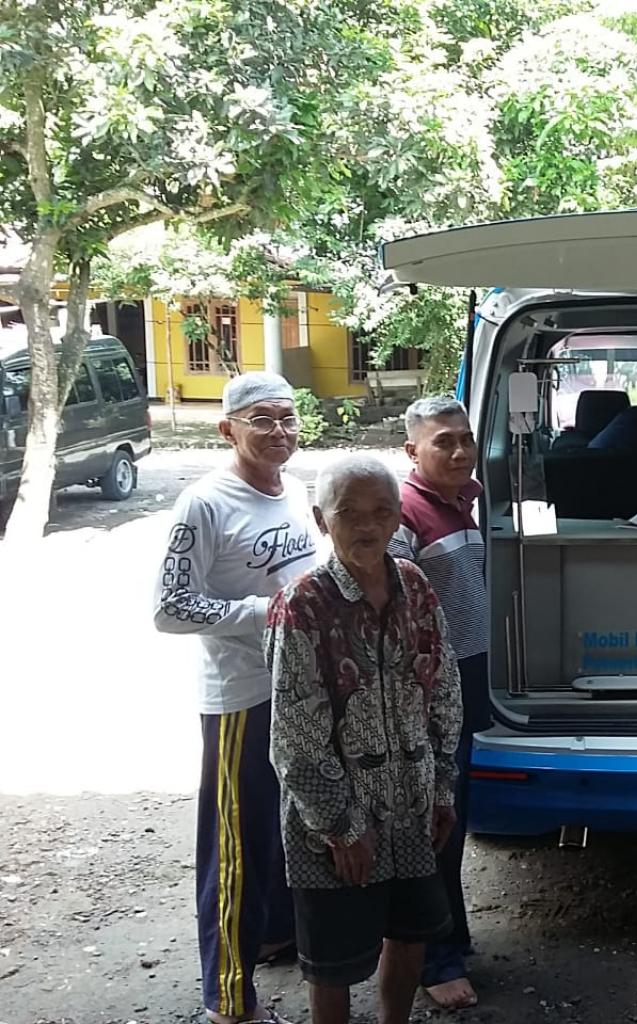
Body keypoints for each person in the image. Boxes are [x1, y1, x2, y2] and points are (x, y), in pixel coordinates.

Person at [266, 455, 463, 1024]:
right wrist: (342, 827)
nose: (367, 526)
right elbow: (294, 735)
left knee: (410, 935)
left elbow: (444, 687)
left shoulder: (415, 585)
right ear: (321, 519)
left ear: (399, 516)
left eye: (381, 511)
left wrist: (442, 789)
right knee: (332, 964)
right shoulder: (302, 604)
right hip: (333, 824)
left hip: (413, 808)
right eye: (348, 513)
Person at [153, 372, 318, 1024]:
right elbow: (170, 608)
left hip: (298, 688)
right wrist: (264, 612)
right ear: (228, 429)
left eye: (288, 418)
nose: (280, 431)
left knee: (288, 827)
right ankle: (227, 997)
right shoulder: (204, 503)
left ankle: (274, 935)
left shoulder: (295, 490)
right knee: (236, 847)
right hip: (239, 698)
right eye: (262, 420)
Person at [388, 396, 488, 1011]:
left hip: (464, 681)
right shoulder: (405, 511)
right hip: (427, 692)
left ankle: (450, 936)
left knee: (452, 819)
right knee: (431, 824)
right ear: (412, 451)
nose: (458, 451)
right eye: (443, 442)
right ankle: (432, 959)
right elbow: (390, 611)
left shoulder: (464, 501)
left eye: (465, 439)